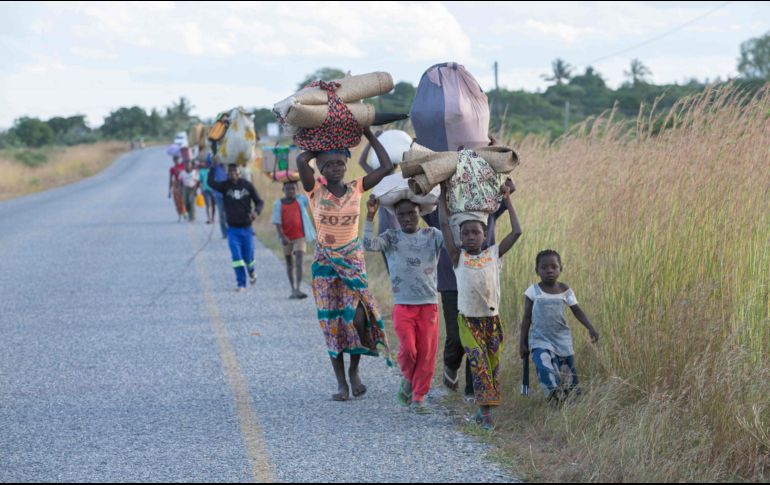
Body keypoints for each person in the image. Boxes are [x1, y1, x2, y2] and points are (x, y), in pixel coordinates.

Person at [296, 127, 393, 402]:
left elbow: (386, 166)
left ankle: (354, 372)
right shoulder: (314, 190)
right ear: (322, 169)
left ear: (346, 164)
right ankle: (341, 383)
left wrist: (369, 135)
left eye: (340, 163)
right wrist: (323, 142)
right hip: (326, 264)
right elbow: (301, 161)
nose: (336, 168)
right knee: (333, 323)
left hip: (352, 260)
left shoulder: (357, 188)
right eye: (329, 165)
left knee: (357, 317)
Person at [438, 181, 522, 431]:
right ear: (460, 238)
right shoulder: (458, 258)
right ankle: (486, 416)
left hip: (492, 320)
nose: (471, 237)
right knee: (479, 363)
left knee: (492, 366)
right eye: (465, 234)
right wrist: (443, 194)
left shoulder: (493, 255)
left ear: (485, 235)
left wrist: (507, 199)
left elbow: (517, 232)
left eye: (476, 233)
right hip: (468, 321)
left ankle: (481, 410)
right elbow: (444, 225)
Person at [364, 196, 443, 414]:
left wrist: (444, 202)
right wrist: (370, 216)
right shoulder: (391, 238)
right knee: (409, 349)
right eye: (402, 215)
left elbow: (454, 238)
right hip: (403, 305)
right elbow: (368, 244)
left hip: (428, 304)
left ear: (421, 213)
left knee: (427, 353)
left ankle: (419, 397)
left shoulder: (432, 235)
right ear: (395, 217)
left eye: (412, 213)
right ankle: (408, 378)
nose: (407, 218)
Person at [519, 250, 599, 404]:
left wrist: (590, 327)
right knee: (544, 367)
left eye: (554, 267)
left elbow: (577, 311)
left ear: (560, 269)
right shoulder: (533, 291)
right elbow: (526, 318)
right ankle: (553, 397)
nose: (549, 270)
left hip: (562, 339)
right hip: (539, 339)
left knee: (566, 375)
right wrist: (522, 343)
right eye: (544, 267)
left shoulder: (565, 290)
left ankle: (568, 403)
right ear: (537, 271)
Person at [207, 163, 264, 291]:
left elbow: (259, 202)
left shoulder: (247, 186)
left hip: (247, 229)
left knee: (248, 257)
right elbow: (210, 182)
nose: (233, 175)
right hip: (232, 230)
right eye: (230, 172)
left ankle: (251, 271)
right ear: (227, 174)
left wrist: (256, 212)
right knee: (237, 258)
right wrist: (212, 166)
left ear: (240, 173)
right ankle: (241, 284)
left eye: (235, 172)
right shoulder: (225, 186)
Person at [271, 180, 316, 299]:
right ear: (283, 190)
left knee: (299, 261)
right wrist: (282, 236)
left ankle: (298, 288)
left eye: (293, 188)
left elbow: (312, 196)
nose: (290, 191)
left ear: (297, 190)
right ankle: (292, 289)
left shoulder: (300, 200)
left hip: (300, 236)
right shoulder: (278, 204)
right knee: (290, 263)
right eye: (288, 189)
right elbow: (277, 222)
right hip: (286, 238)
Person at [168, 155, 187, 222]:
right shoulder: (172, 169)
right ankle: (180, 216)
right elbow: (170, 179)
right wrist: (169, 191)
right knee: (177, 201)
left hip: (183, 184)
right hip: (176, 185)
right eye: (175, 160)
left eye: (177, 159)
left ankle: (184, 213)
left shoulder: (183, 166)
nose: (176, 161)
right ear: (173, 161)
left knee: (183, 200)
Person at [198, 158, 216, 225]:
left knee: (213, 205)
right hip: (206, 190)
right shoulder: (202, 171)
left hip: (214, 190)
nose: (208, 164)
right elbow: (200, 181)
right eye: (207, 163)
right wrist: (201, 189)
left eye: (210, 163)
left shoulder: (214, 170)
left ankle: (213, 218)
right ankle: (209, 218)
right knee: (208, 205)